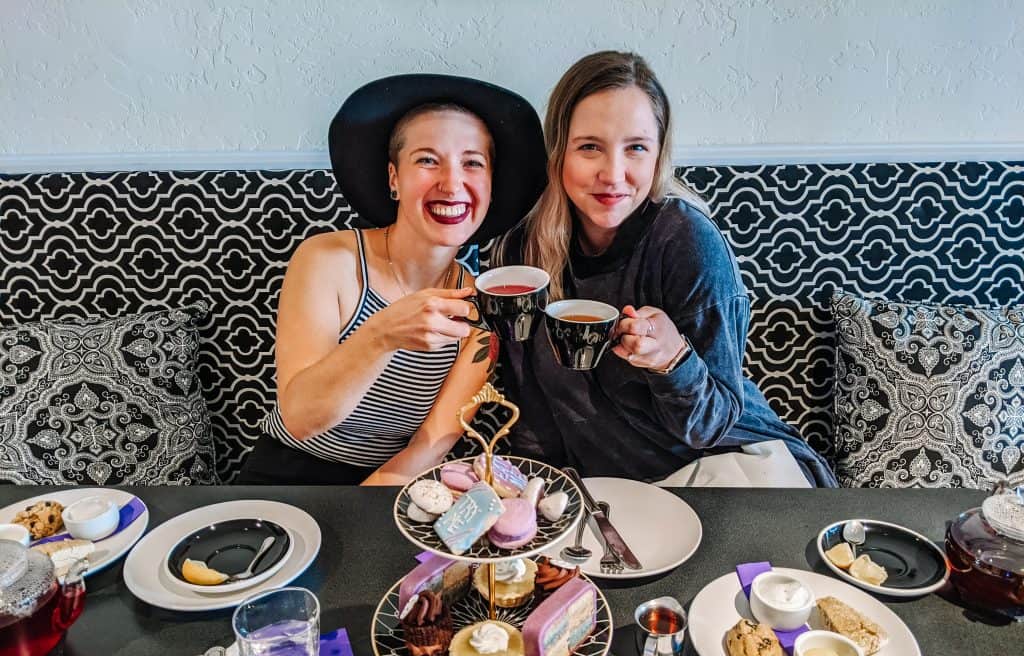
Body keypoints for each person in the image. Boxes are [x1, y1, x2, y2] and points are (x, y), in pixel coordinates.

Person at [494, 51, 837, 487]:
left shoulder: (686, 241)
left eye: (635, 148)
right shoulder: (521, 253)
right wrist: (535, 493)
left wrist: (672, 360)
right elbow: (534, 415)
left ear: (659, 156)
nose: (613, 174)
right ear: (559, 151)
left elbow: (709, 426)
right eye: (589, 148)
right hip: (620, 496)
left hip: (737, 473)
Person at [238, 74, 546, 485]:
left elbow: (432, 443)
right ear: (394, 179)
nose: (452, 183)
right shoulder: (328, 260)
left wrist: (361, 527)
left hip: (394, 486)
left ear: (489, 185)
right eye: (426, 160)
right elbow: (300, 421)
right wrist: (382, 334)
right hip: (288, 477)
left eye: (472, 162)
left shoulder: (481, 307)